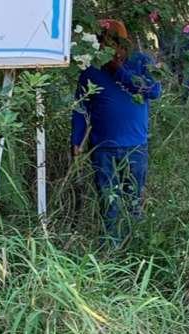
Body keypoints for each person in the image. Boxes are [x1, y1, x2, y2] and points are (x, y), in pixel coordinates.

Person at [71, 19, 162, 241]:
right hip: (103, 148)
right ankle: (111, 247)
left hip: (135, 147)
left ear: (126, 43)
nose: (113, 49)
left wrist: (119, 70)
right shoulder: (91, 71)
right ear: (100, 44)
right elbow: (81, 108)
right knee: (108, 201)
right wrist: (76, 139)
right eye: (106, 44)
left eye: (117, 44)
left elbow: (154, 91)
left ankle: (134, 245)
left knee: (133, 200)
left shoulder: (141, 62)